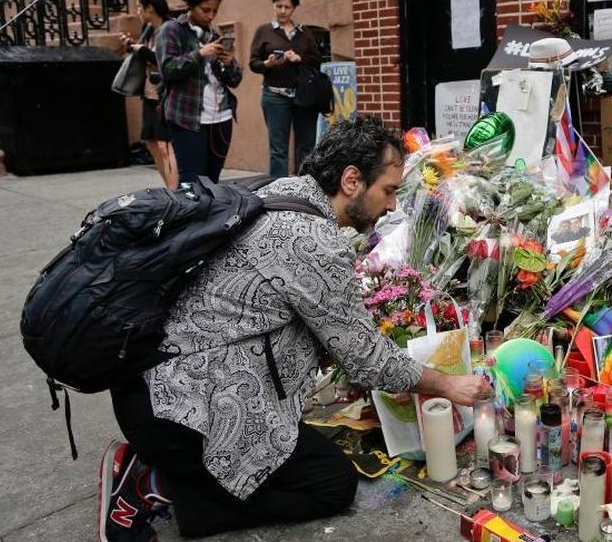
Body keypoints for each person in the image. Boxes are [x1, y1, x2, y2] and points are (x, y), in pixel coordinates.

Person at [98, 118, 492, 542]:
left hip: (156, 389)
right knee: (330, 484)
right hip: (180, 411)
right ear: (351, 180)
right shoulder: (309, 239)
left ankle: (171, 473)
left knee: (301, 457)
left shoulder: (277, 194)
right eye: (390, 190)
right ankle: (153, 487)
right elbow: (366, 357)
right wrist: (448, 386)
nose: (394, 206)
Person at [155, 0, 242, 185]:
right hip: (187, 118)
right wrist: (200, 54)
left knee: (212, 182)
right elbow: (168, 70)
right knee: (192, 184)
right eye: (205, 10)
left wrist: (229, 63)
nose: (211, 16)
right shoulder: (171, 30)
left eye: (215, 10)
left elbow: (235, 80)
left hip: (221, 117)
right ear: (190, 6)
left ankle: (208, 220)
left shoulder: (214, 33)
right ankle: (191, 220)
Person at [249, 0, 324, 178]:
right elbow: (253, 63)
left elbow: (317, 60)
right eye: (278, 6)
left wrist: (299, 58)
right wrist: (268, 64)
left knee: (306, 146)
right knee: (278, 149)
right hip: (275, 96)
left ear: (294, 7)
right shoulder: (263, 31)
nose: (282, 11)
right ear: (273, 5)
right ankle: (279, 193)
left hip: (303, 97)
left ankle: (304, 187)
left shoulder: (304, 32)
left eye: (287, 7)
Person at [119, 0, 177, 189]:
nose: (137, 12)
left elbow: (166, 61)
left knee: (165, 146)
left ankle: (175, 191)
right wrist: (133, 46)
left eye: (139, 7)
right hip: (149, 93)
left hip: (165, 95)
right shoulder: (148, 30)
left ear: (150, 8)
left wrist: (142, 51)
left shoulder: (170, 29)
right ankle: (169, 187)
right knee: (152, 143)